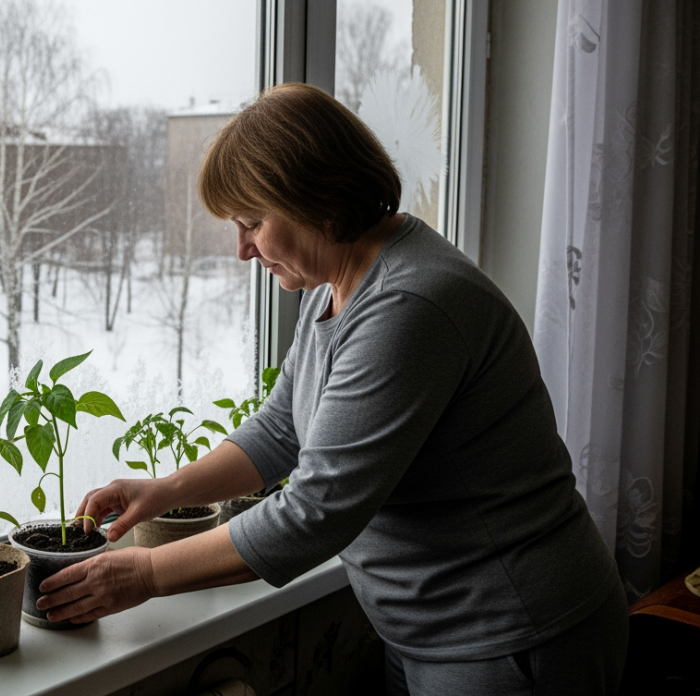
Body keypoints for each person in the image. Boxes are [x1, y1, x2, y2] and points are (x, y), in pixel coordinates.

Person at [35, 83, 628, 696]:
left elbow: (316, 512)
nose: (242, 251)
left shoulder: (408, 304)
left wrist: (146, 575)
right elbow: (282, 429)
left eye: (252, 223)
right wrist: (164, 489)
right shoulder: (335, 284)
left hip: (515, 636)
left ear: (315, 199)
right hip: (431, 631)